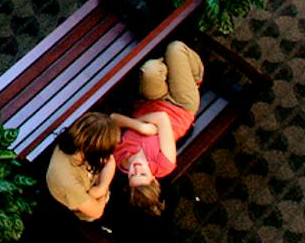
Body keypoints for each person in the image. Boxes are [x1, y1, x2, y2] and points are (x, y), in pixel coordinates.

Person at [111, 41, 204, 221]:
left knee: (150, 70)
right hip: (181, 106)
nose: (136, 168)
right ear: (153, 179)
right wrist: (141, 125)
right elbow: (161, 117)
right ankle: (194, 77)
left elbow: (114, 118)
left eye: (133, 175)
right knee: (175, 47)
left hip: (150, 102)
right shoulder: (164, 165)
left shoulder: (118, 158)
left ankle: (176, 72)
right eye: (143, 174)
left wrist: (142, 127)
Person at [46, 111, 121, 220]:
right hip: (82, 213)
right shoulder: (67, 180)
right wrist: (102, 192)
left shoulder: (81, 145)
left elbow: (110, 161)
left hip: (99, 191)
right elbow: (96, 212)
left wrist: (102, 188)